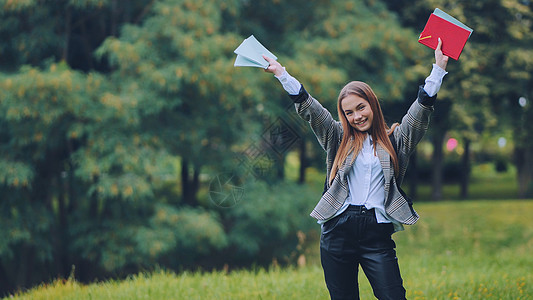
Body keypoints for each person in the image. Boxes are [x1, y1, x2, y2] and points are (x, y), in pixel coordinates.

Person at [262, 38, 449, 300]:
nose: (357, 116)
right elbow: (310, 108)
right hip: (338, 231)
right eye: (349, 112)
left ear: (373, 105)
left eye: (361, 107)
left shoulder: (396, 140)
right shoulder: (336, 137)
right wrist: (282, 74)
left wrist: (438, 69)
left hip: (376, 234)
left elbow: (420, 112)